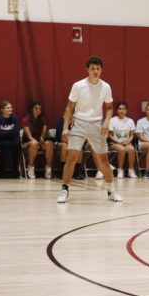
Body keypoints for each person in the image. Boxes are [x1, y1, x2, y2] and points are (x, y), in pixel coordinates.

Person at [56, 56, 122, 203]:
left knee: (104, 161)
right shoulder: (78, 86)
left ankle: (111, 191)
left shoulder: (106, 87)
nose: (95, 71)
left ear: (101, 70)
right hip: (79, 123)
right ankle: (64, 190)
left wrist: (106, 123)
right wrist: (66, 128)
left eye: (98, 68)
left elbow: (110, 107)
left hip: (97, 124)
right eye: (92, 68)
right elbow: (69, 108)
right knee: (71, 158)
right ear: (87, 69)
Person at [21, 102, 53, 179]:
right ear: (32, 110)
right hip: (28, 142)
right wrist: (36, 142)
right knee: (34, 143)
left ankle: (48, 167)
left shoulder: (43, 120)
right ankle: (31, 167)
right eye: (36, 108)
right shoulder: (26, 120)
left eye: (40, 109)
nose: (38, 110)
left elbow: (43, 134)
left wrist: (41, 140)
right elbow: (29, 136)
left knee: (49, 144)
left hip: (40, 141)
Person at [0, 101, 21, 178]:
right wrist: (10, 131)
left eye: (11, 107)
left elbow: (17, 132)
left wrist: (3, 131)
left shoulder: (14, 118)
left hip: (11, 140)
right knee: (6, 144)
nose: (10, 109)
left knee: (17, 144)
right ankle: (1, 169)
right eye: (8, 108)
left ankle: (15, 169)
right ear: (2, 110)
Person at [109, 102, 137, 179]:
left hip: (126, 142)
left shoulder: (130, 121)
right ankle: (120, 170)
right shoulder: (112, 120)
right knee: (121, 149)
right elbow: (110, 135)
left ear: (126, 111)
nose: (122, 111)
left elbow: (132, 135)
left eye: (123, 109)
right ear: (117, 110)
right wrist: (118, 142)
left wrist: (128, 141)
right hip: (115, 143)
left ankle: (131, 170)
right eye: (120, 109)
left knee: (131, 149)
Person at [54, 109, 84, 180]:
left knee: (79, 147)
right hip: (60, 142)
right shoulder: (60, 122)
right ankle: (63, 171)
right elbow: (62, 138)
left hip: (73, 142)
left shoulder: (77, 123)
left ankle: (77, 171)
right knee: (65, 147)